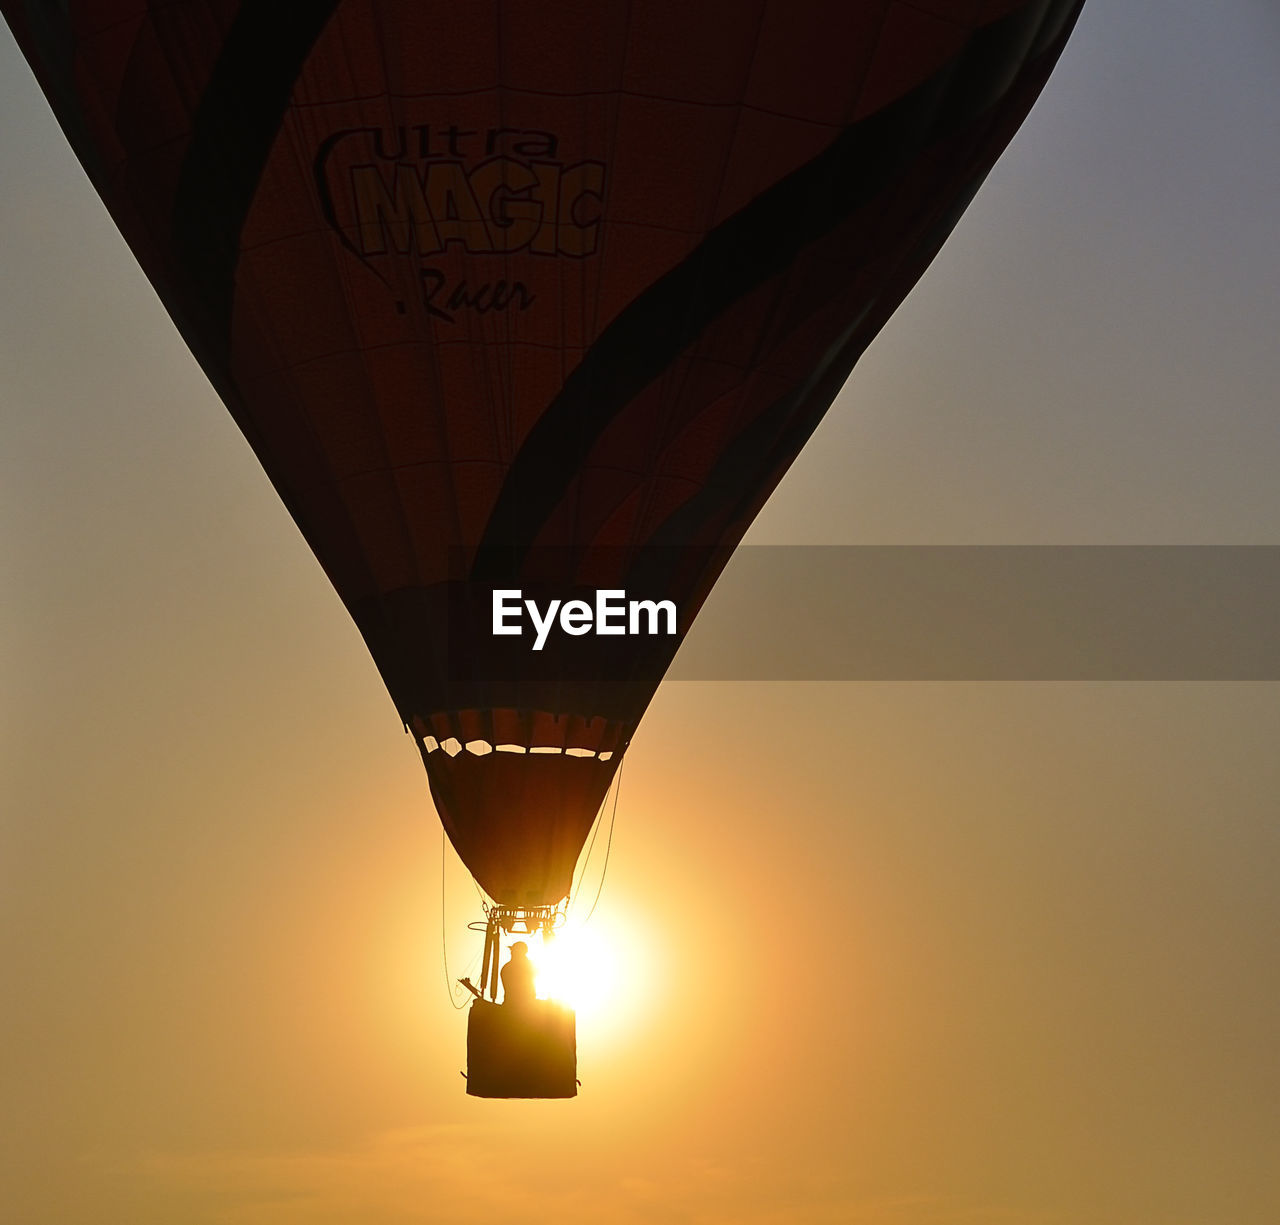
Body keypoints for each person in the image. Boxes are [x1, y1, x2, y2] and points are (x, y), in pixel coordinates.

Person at [500, 941, 536, 1008]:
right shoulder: (509, 968)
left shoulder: (508, 967)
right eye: (512, 950)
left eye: (514, 951)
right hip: (518, 1005)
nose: (511, 952)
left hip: (522, 1004)